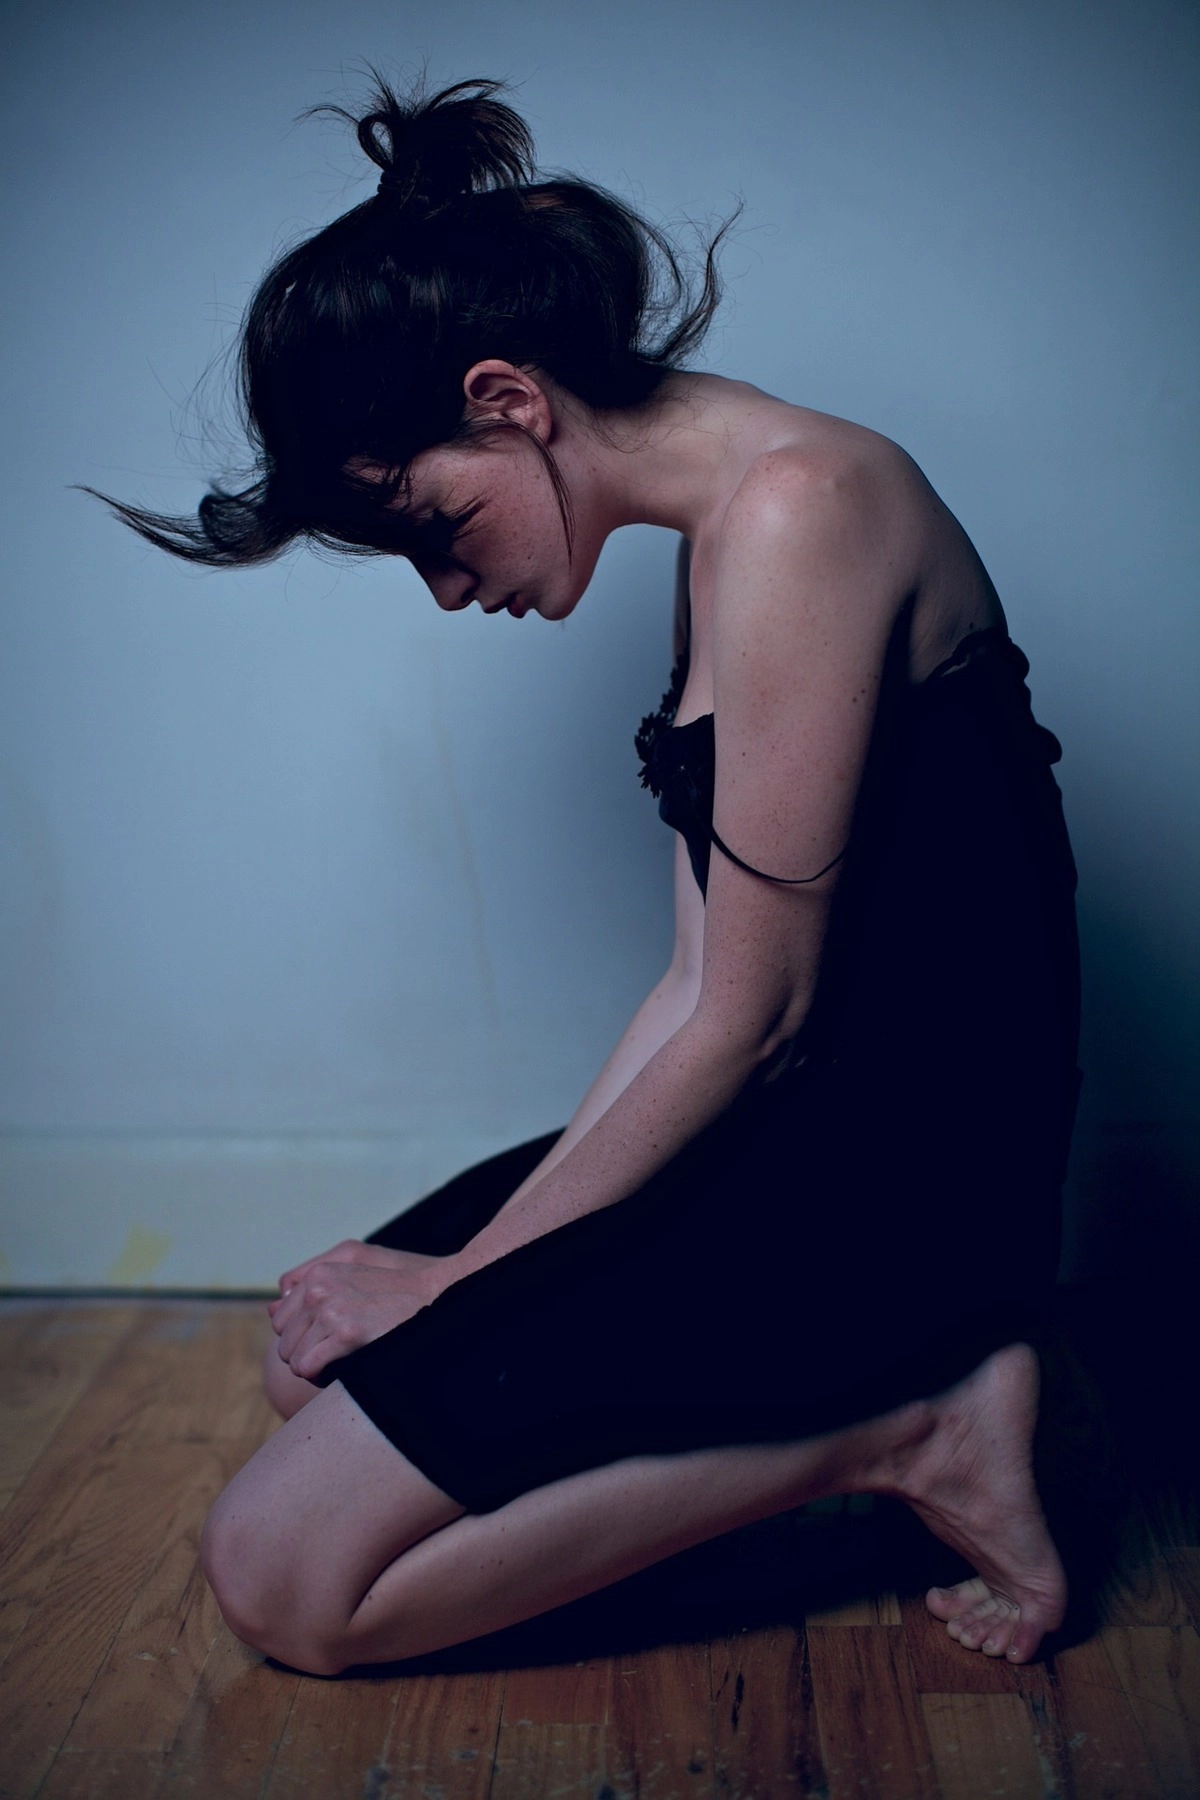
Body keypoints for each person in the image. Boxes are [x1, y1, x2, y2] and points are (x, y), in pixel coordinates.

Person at [96, 76, 1082, 1675]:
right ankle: (865, 1404)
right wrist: (456, 1282)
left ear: (508, 400)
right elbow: (697, 989)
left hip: (897, 1186)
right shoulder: (728, 539)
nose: (444, 588)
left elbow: (757, 1021)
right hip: (788, 1131)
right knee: (311, 1363)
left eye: (433, 524)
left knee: (284, 1584)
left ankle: (914, 1423)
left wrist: (462, 1284)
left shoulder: (805, 511)